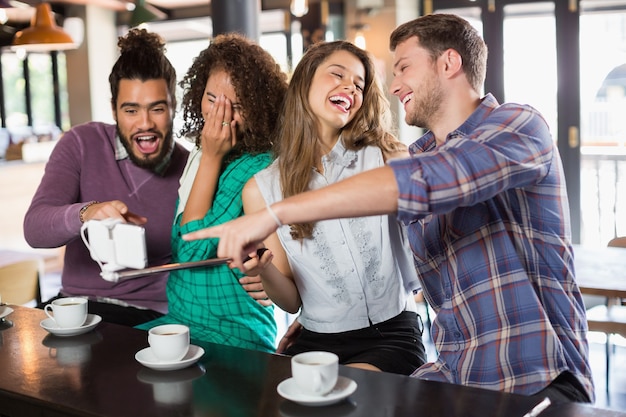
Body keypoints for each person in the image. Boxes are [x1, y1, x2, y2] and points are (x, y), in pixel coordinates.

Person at [183, 14, 595, 403]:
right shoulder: (418, 154)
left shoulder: (514, 125)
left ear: (449, 62)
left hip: (534, 378)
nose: (392, 85)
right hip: (456, 374)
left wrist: (278, 212)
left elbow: (427, 182)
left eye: (402, 68)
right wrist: (321, 317)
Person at [22, 29, 266, 327]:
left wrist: (264, 277)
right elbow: (34, 230)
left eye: (157, 109)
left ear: (174, 107)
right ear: (114, 109)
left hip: (149, 317)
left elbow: (216, 249)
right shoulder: (80, 143)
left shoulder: (195, 170)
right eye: (131, 110)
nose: (145, 123)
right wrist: (87, 213)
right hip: (75, 306)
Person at [241, 40, 426, 374]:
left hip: (392, 334)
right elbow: (290, 301)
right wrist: (262, 269)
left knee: (347, 397)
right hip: (315, 340)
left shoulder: (386, 156)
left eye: (359, 84)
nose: (349, 88)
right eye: (336, 74)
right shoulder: (261, 189)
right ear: (304, 83)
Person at [136, 33, 288, 353]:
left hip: (231, 330)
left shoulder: (257, 166)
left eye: (237, 104)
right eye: (211, 98)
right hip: (180, 319)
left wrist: (211, 156)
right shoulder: (200, 152)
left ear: (260, 109)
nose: (220, 113)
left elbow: (191, 249)